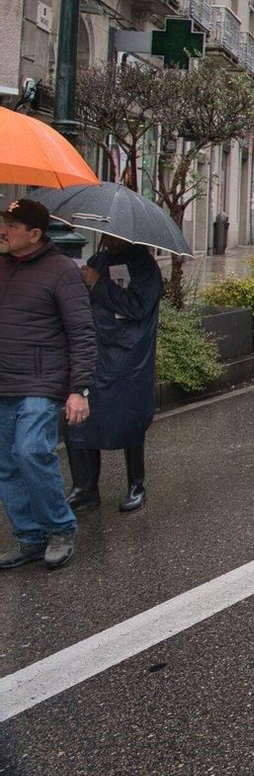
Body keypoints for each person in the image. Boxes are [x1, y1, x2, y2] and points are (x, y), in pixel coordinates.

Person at [0, 199, 95, 570]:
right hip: (4, 381)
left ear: (35, 234)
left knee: (30, 453)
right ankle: (30, 537)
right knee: (7, 464)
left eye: (11, 225)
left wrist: (79, 389)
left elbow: (83, 333)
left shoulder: (60, 271)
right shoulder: (4, 266)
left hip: (41, 383)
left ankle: (58, 528)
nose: (4, 231)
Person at [64, 237, 162, 513]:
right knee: (82, 417)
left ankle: (136, 484)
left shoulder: (145, 266)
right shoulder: (99, 259)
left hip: (128, 354)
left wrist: (99, 283)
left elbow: (138, 307)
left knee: (129, 416)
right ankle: (85, 487)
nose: (107, 238)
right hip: (96, 349)